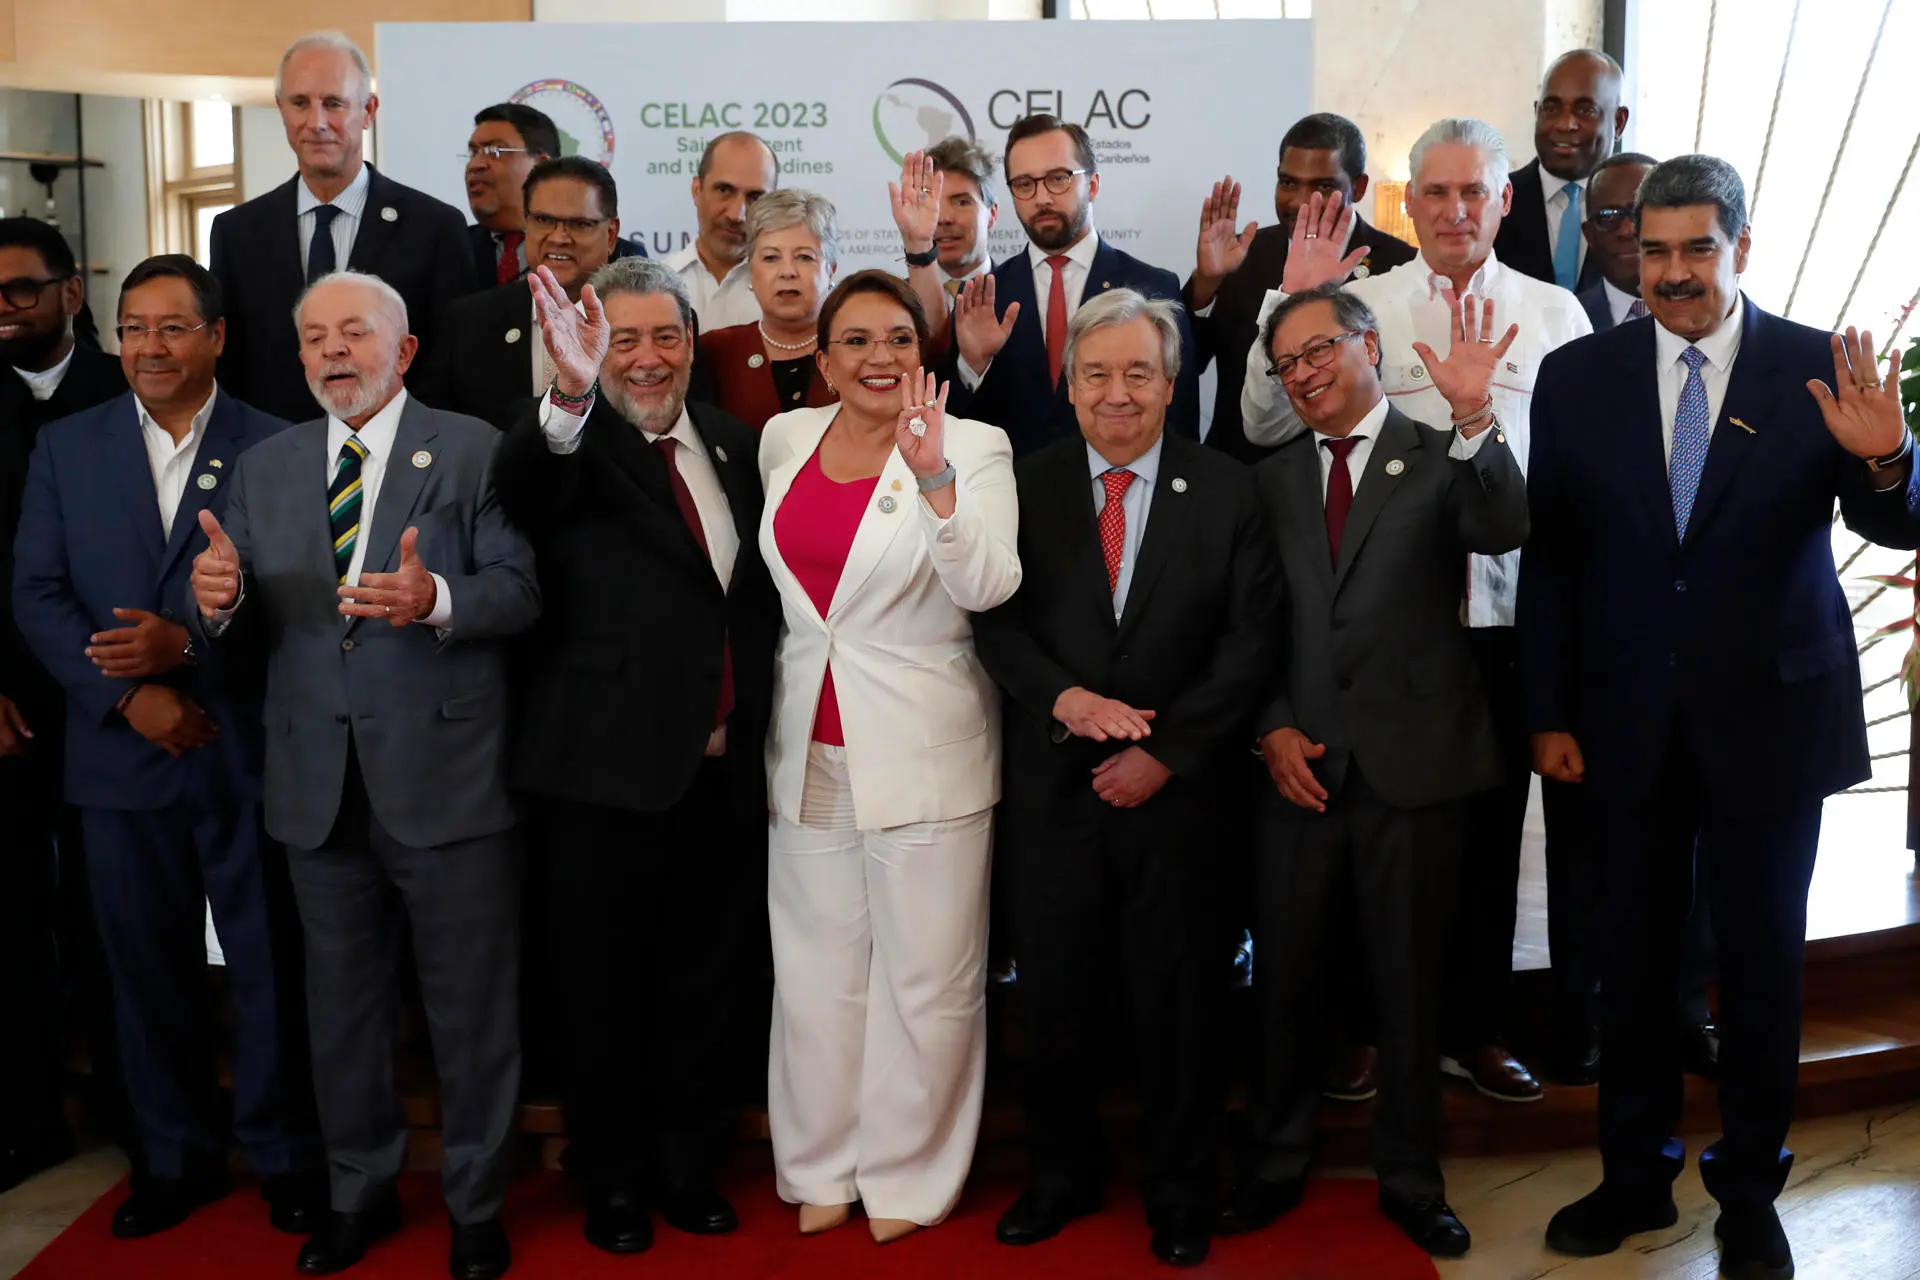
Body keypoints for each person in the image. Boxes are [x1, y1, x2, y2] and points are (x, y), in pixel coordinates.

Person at [1519, 154, 1920, 1280]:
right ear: (1629, 252)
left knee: (1758, 969)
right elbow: (1551, 558)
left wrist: (1887, 455)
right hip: (1622, 722)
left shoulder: (1812, 368)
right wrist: (1547, 710)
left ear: (1743, 243)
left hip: (1770, 726)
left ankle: (1750, 1187)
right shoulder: (1576, 376)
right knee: (1630, 965)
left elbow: (1897, 527)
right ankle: (1634, 1176)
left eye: (1700, 247)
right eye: (1657, 251)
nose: (1678, 273)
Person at [188, 270, 539, 1280]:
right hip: (315, 783)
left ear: (406, 349)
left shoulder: (473, 447)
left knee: (471, 1010)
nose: (334, 351)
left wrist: (437, 597)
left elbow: (520, 590)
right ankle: (360, 1189)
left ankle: (476, 1203)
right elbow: (235, 604)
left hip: (448, 774)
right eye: (314, 338)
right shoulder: (265, 464)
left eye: (354, 332)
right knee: (339, 1010)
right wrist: (214, 598)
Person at [1244, 117, 1592, 1104]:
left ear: (1503, 201)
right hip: (1377, 629)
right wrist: (1286, 292)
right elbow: (1263, 423)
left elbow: (1577, 480)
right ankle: (1363, 1027)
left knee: (1484, 841)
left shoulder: (1555, 313)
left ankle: (1472, 1028)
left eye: (1473, 193)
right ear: (1407, 203)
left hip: (1504, 621)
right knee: (1366, 828)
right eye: (1434, 193)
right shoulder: (1361, 306)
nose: (1453, 211)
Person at [12, 254, 324, 1238]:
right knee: (144, 969)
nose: (150, 346)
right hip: (118, 760)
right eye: (133, 327)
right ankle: (173, 1156)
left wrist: (188, 647)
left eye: (173, 327)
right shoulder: (68, 447)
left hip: (245, 746)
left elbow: (301, 602)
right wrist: (130, 698)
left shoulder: (279, 445)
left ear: (217, 336)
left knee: (271, 964)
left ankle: (282, 1154)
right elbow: (36, 593)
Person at [1219, 281, 1528, 1260]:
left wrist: (1476, 411)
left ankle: (1411, 1177)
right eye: (1287, 364)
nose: (1303, 374)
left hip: (1415, 774)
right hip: (1296, 774)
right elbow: (1246, 628)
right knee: (1287, 986)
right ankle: (1273, 1163)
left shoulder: (1441, 457)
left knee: (1409, 991)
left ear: (1367, 343)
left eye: (1319, 352)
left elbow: (1503, 525)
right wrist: (1267, 726)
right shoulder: (1263, 481)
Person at [973, 289, 1277, 1269]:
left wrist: (1166, 750)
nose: (1117, 392)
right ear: (1066, 385)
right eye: (1095, 373)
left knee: (1180, 1004)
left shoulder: (1230, 490)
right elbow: (992, 621)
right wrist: (1065, 701)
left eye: (1138, 371)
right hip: (1054, 795)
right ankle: (1060, 1175)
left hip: (1182, 801)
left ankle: (1181, 1188)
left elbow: (1251, 641)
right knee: (1056, 1000)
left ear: (1172, 379)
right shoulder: (1023, 484)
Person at [492, 257, 777, 1255]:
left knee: (709, 983)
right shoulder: (566, 448)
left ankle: (686, 1164)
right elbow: (521, 491)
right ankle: (610, 1178)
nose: (648, 359)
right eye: (626, 339)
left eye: (667, 337)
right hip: (597, 779)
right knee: (600, 990)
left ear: (693, 343)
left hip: (721, 772)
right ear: (592, 345)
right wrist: (568, 391)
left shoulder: (743, 450)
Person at [759, 270, 1019, 1244]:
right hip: (808, 745)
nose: (880, 358)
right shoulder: (787, 440)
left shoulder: (977, 444)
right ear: (822, 360)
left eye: (899, 340)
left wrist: (937, 478)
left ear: (926, 352)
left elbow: (990, 584)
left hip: (924, 746)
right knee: (817, 971)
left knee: (929, 975)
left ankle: (909, 1171)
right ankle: (821, 1160)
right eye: (857, 341)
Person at [0, 216, 130, 1194]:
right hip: (6, 703)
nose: (4, 308)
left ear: (70, 293)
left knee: (112, 916)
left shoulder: (130, 386)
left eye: (21, 289)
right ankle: (29, 1116)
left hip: (115, 697)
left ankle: (138, 1109)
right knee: (11, 923)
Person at [211, 31, 475, 425]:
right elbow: (231, 366)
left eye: (334, 103)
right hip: (275, 459)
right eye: (300, 103)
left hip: (403, 462)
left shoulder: (436, 228)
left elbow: (454, 363)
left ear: (368, 110)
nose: (316, 122)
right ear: (281, 109)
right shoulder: (237, 233)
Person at [948, 114, 1198, 456]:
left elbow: (1180, 425)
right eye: (1024, 184)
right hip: (1013, 499)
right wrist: (974, 365)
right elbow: (956, 434)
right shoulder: (983, 298)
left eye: (1058, 179)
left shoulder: (1151, 287)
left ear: (1092, 184)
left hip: (1123, 497)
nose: (1042, 198)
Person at [1184, 112, 1418, 464]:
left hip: (1356, 488)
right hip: (1240, 476)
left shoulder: (1401, 265)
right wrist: (1206, 281)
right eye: (1288, 183)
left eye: (1323, 186)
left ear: (1358, 187)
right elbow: (1187, 364)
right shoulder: (1242, 254)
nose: (1299, 202)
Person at [420, 157, 624, 429]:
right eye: (543, 220)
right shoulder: (467, 322)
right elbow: (435, 429)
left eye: (579, 224)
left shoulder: (648, 321)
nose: (559, 237)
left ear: (611, 235)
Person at [697, 189, 840, 431]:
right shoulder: (714, 352)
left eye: (804, 257)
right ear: (751, 271)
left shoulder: (857, 348)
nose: (788, 271)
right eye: (771, 258)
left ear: (830, 271)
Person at [1493, 49, 1628, 293]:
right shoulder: (1493, 204)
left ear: (1619, 122)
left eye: (1585, 110)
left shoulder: (1647, 211)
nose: (1565, 124)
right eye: (1551, 108)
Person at [663, 131, 778, 332]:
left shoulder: (788, 293)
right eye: (724, 190)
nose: (737, 215)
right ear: (697, 190)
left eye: (755, 198)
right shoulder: (659, 281)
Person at [462, 103, 557, 287]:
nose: (475, 164)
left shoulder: (605, 255)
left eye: (495, 151)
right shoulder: (453, 250)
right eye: (473, 152)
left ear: (541, 166)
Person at [1576, 152, 1657, 332]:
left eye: (1641, 213)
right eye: (1608, 217)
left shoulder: (1707, 315)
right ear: (1590, 235)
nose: (1628, 230)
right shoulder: (1568, 319)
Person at [923, 136, 998, 308]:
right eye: (931, 204)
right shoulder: (897, 302)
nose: (944, 218)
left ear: (992, 214)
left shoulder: (1026, 296)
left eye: (962, 202)